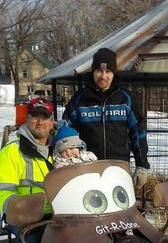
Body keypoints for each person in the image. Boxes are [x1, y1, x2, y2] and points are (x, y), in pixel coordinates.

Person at [62, 47, 150, 190]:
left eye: (108, 71)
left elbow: (138, 134)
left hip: (119, 169)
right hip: (87, 171)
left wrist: (142, 165)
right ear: (93, 71)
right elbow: (66, 133)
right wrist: (68, 163)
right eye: (99, 71)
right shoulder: (78, 101)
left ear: (114, 73)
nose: (103, 76)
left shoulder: (126, 99)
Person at [0, 97, 54, 243]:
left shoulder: (60, 150)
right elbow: (0, 192)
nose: (40, 122)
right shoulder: (12, 151)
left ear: (51, 123)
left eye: (45, 117)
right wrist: (18, 208)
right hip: (27, 218)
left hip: (58, 215)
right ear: (27, 120)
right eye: (35, 117)